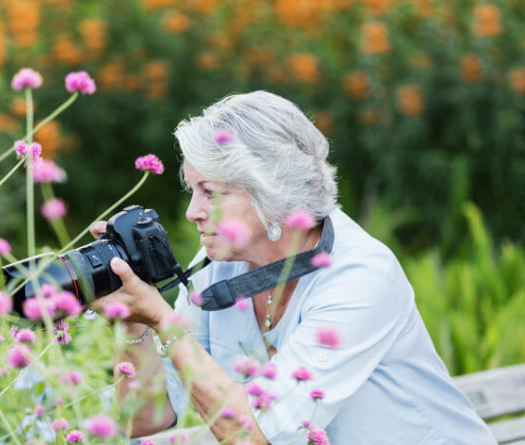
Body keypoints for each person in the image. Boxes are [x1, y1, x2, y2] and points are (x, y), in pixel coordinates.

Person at [91, 91, 495, 444]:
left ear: (272, 192)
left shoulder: (360, 276)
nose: (193, 212)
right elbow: (144, 420)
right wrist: (134, 318)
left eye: (210, 193)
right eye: (192, 190)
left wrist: (163, 318)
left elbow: (255, 435)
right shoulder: (217, 267)